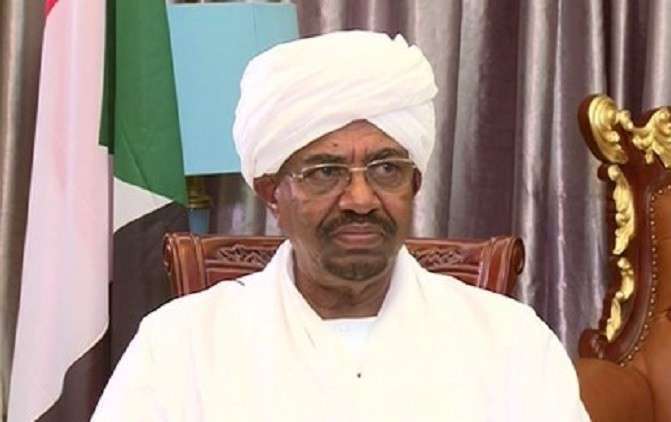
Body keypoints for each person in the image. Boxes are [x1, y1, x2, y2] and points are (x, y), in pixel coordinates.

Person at [92, 31, 589, 421]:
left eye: (386, 168)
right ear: (272, 193)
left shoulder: (509, 342)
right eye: (326, 172)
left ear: (414, 184)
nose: (360, 199)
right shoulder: (183, 345)